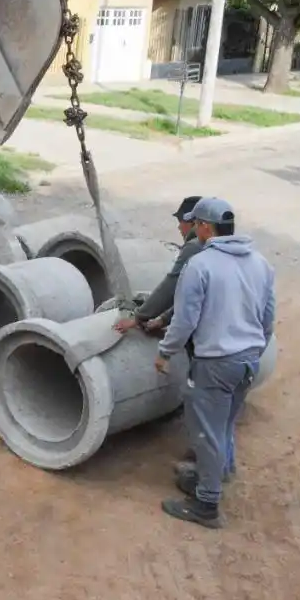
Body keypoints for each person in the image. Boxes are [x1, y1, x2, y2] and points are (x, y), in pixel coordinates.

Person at [154, 197, 275, 529]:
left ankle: (206, 503)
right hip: (248, 361)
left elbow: (184, 321)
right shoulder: (260, 263)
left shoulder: (201, 265)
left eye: (195, 224)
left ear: (206, 227)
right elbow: (268, 320)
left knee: (207, 432)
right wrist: (251, 350)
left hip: (215, 363)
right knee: (224, 423)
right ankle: (221, 470)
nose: (193, 230)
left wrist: (165, 352)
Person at [113, 195, 206, 335]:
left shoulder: (195, 247)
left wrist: (138, 318)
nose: (179, 227)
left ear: (193, 222)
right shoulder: (222, 247)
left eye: (180, 221)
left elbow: (172, 286)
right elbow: (191, 297)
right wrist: (163, 320)